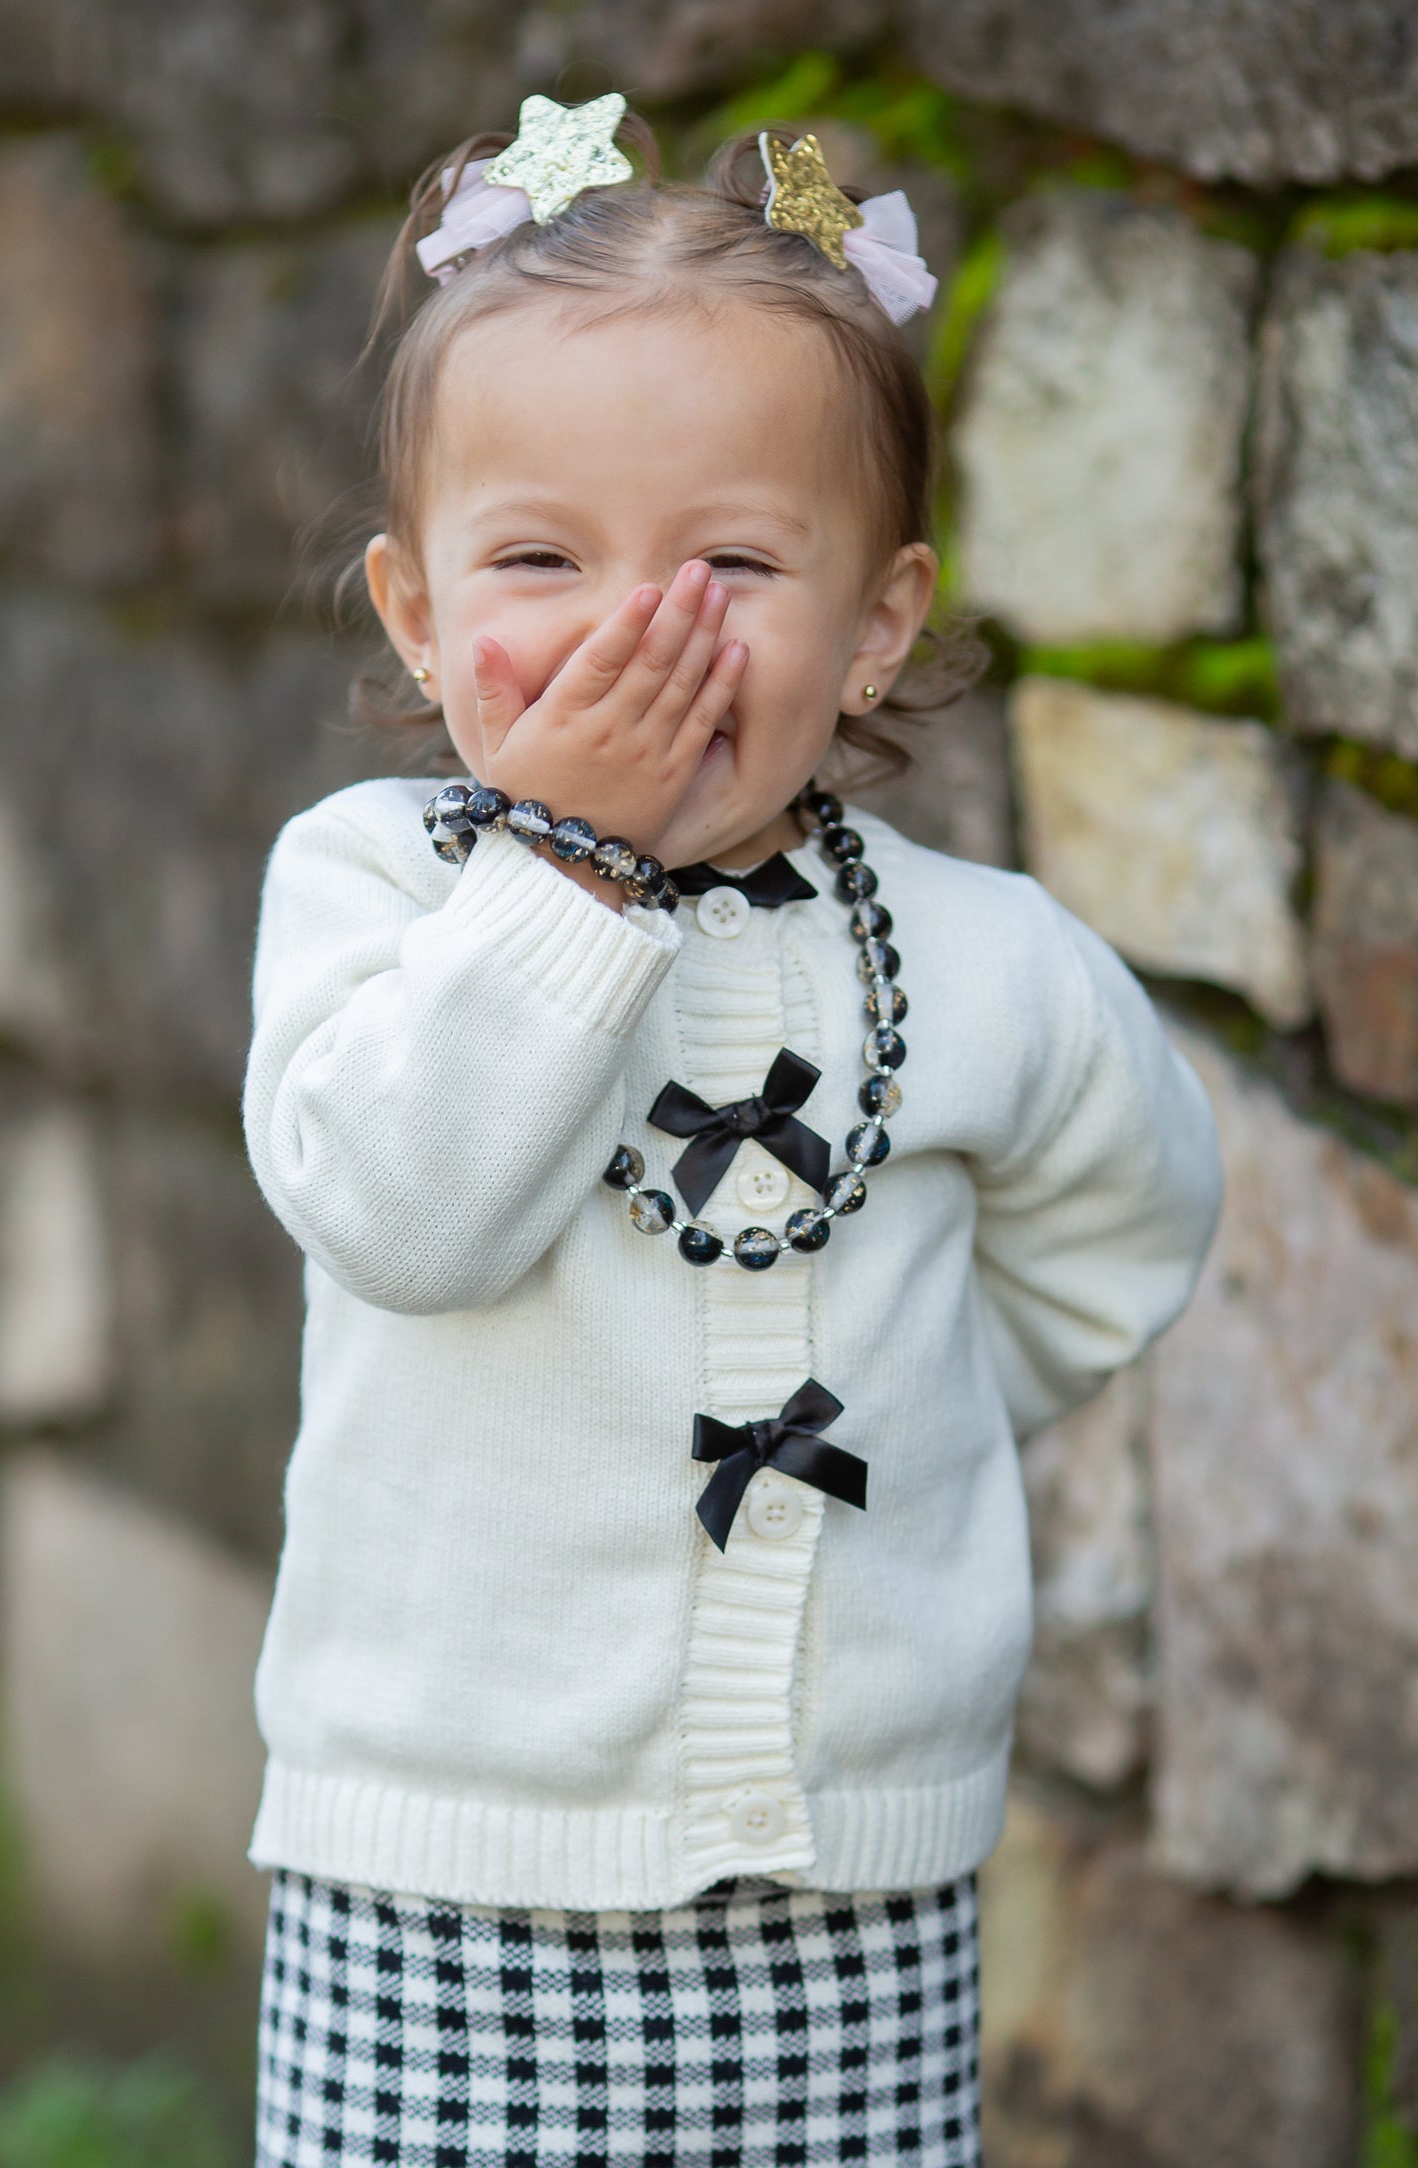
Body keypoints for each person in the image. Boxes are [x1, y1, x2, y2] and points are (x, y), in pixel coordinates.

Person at [243, 91, 1224, 2168]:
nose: (635, 630)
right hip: (442, 1881)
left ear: (878, 615)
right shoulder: (381, 894)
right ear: (416, 616)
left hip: (855, 1891)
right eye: (538, 560)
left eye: (734, 564)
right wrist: (573, 872)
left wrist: (918, 1374)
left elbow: (1123, 1225)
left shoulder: (991, 960)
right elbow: (399, 1214)